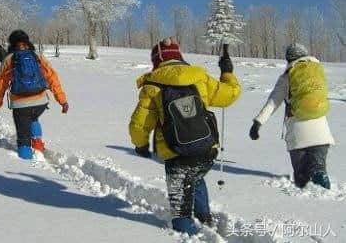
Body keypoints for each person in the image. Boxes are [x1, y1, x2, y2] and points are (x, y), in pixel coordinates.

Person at [129, 37, 241, 235]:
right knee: (196, 177)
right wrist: (227, 72)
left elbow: (140, 124)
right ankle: (206, 220)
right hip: (206, 149)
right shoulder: (200, 78)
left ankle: (185, 234)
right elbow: (230, 94)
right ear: (179, 57)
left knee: (180, 203)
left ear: (156, 61)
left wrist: (141, 145)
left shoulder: (152, 85)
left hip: (176, 153)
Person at [250, 43, 334, 189]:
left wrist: (257, 123)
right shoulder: (318, 71)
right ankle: (321, 184)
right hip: (322, 131)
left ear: (289, 59)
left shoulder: (287, 77)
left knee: (301, 178)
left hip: (298, 133)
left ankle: (303, 199)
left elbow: (272, 103)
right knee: (319, 168)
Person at [0, 30, 69, 159]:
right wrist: (62, 101)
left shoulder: (9, 59)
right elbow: (52, 78)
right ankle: (38, 143)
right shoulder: (37, 56)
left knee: (23, 136)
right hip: (40, 103)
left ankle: (25, 161)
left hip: (20, 104)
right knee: (33, 117)